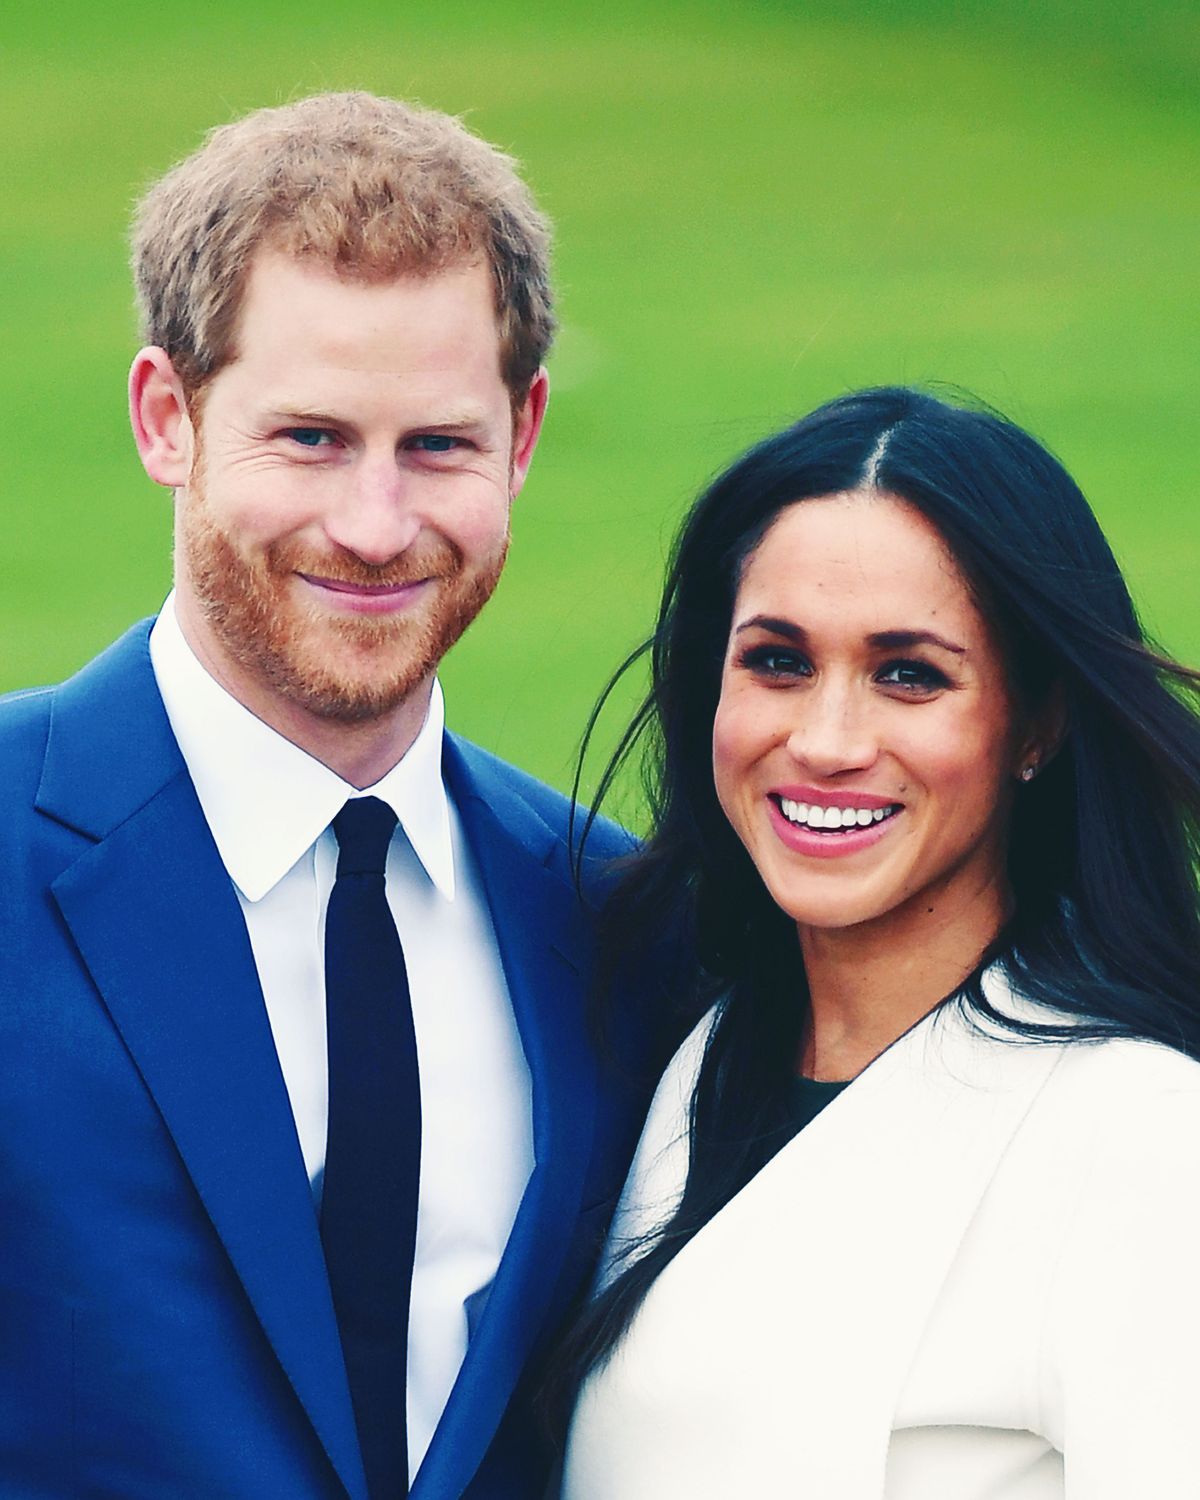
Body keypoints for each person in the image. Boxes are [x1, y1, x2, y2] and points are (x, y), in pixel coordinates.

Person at [0, 92, 671, 1500]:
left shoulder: (623, 922)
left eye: (437, 446)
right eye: (308, 438)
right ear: (165, 416)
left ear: (526, 435)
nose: (375, 528)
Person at [557, 386, 1200, 1498]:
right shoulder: (692, 1052)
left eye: (910, 674)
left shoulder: (1142, 1141)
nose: (827, 739)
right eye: (777, 661)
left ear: (1037, 724)